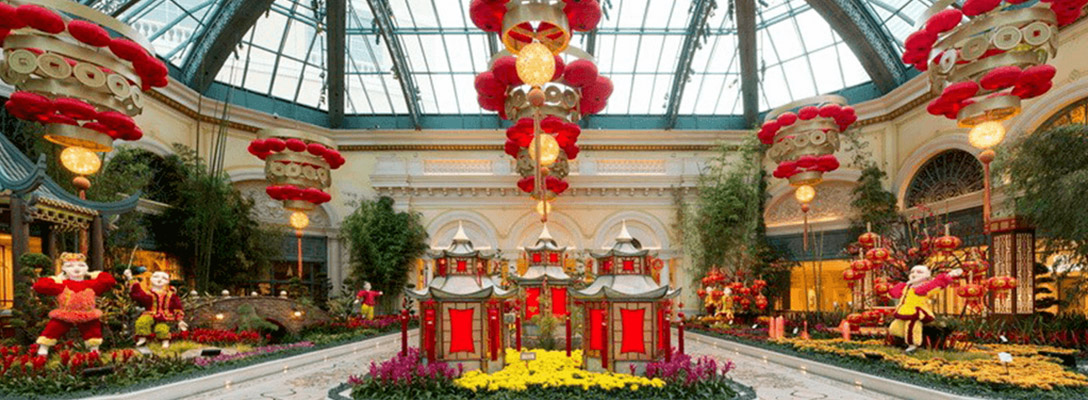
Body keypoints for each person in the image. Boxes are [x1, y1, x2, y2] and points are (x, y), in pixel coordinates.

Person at [32, 252, 115, 356]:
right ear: (64, 269)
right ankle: (44, 348)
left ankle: (94, 351)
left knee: (93, 331)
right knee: (53, 328)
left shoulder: (91, 284)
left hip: (87, 314)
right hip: (66, 313)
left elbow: (109, 281)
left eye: (81, 265)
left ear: (86, 268)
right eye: (70, 266)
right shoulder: (62, 284)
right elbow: (40, 285)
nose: (76, 269)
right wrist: (56, 278)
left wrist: (93, 274)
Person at [888, 265, 963, 353]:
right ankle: (900, 342)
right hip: (903, 310)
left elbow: (936, 284)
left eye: (919, 272)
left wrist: (949, 276)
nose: (914, 274)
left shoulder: (924, 287)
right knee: (895, 328)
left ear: (926, 275)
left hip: (916, 312)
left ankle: (913, 345)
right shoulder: (906, 286)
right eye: (912, 272)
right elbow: (893, 294)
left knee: (912, 328)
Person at [124, 268, 188, 348]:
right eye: (156, 277)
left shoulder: (171, 295)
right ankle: (142, 338)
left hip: (165, 316)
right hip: (150, 313)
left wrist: (180, 320)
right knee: (142, 322)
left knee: (161, 328)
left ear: (168, 281)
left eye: (163, 278)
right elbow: (138, 295)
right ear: (151, 279)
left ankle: (165, 341)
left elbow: (177, 307)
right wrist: (130, 277)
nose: (159, 280)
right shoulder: (148, 294)